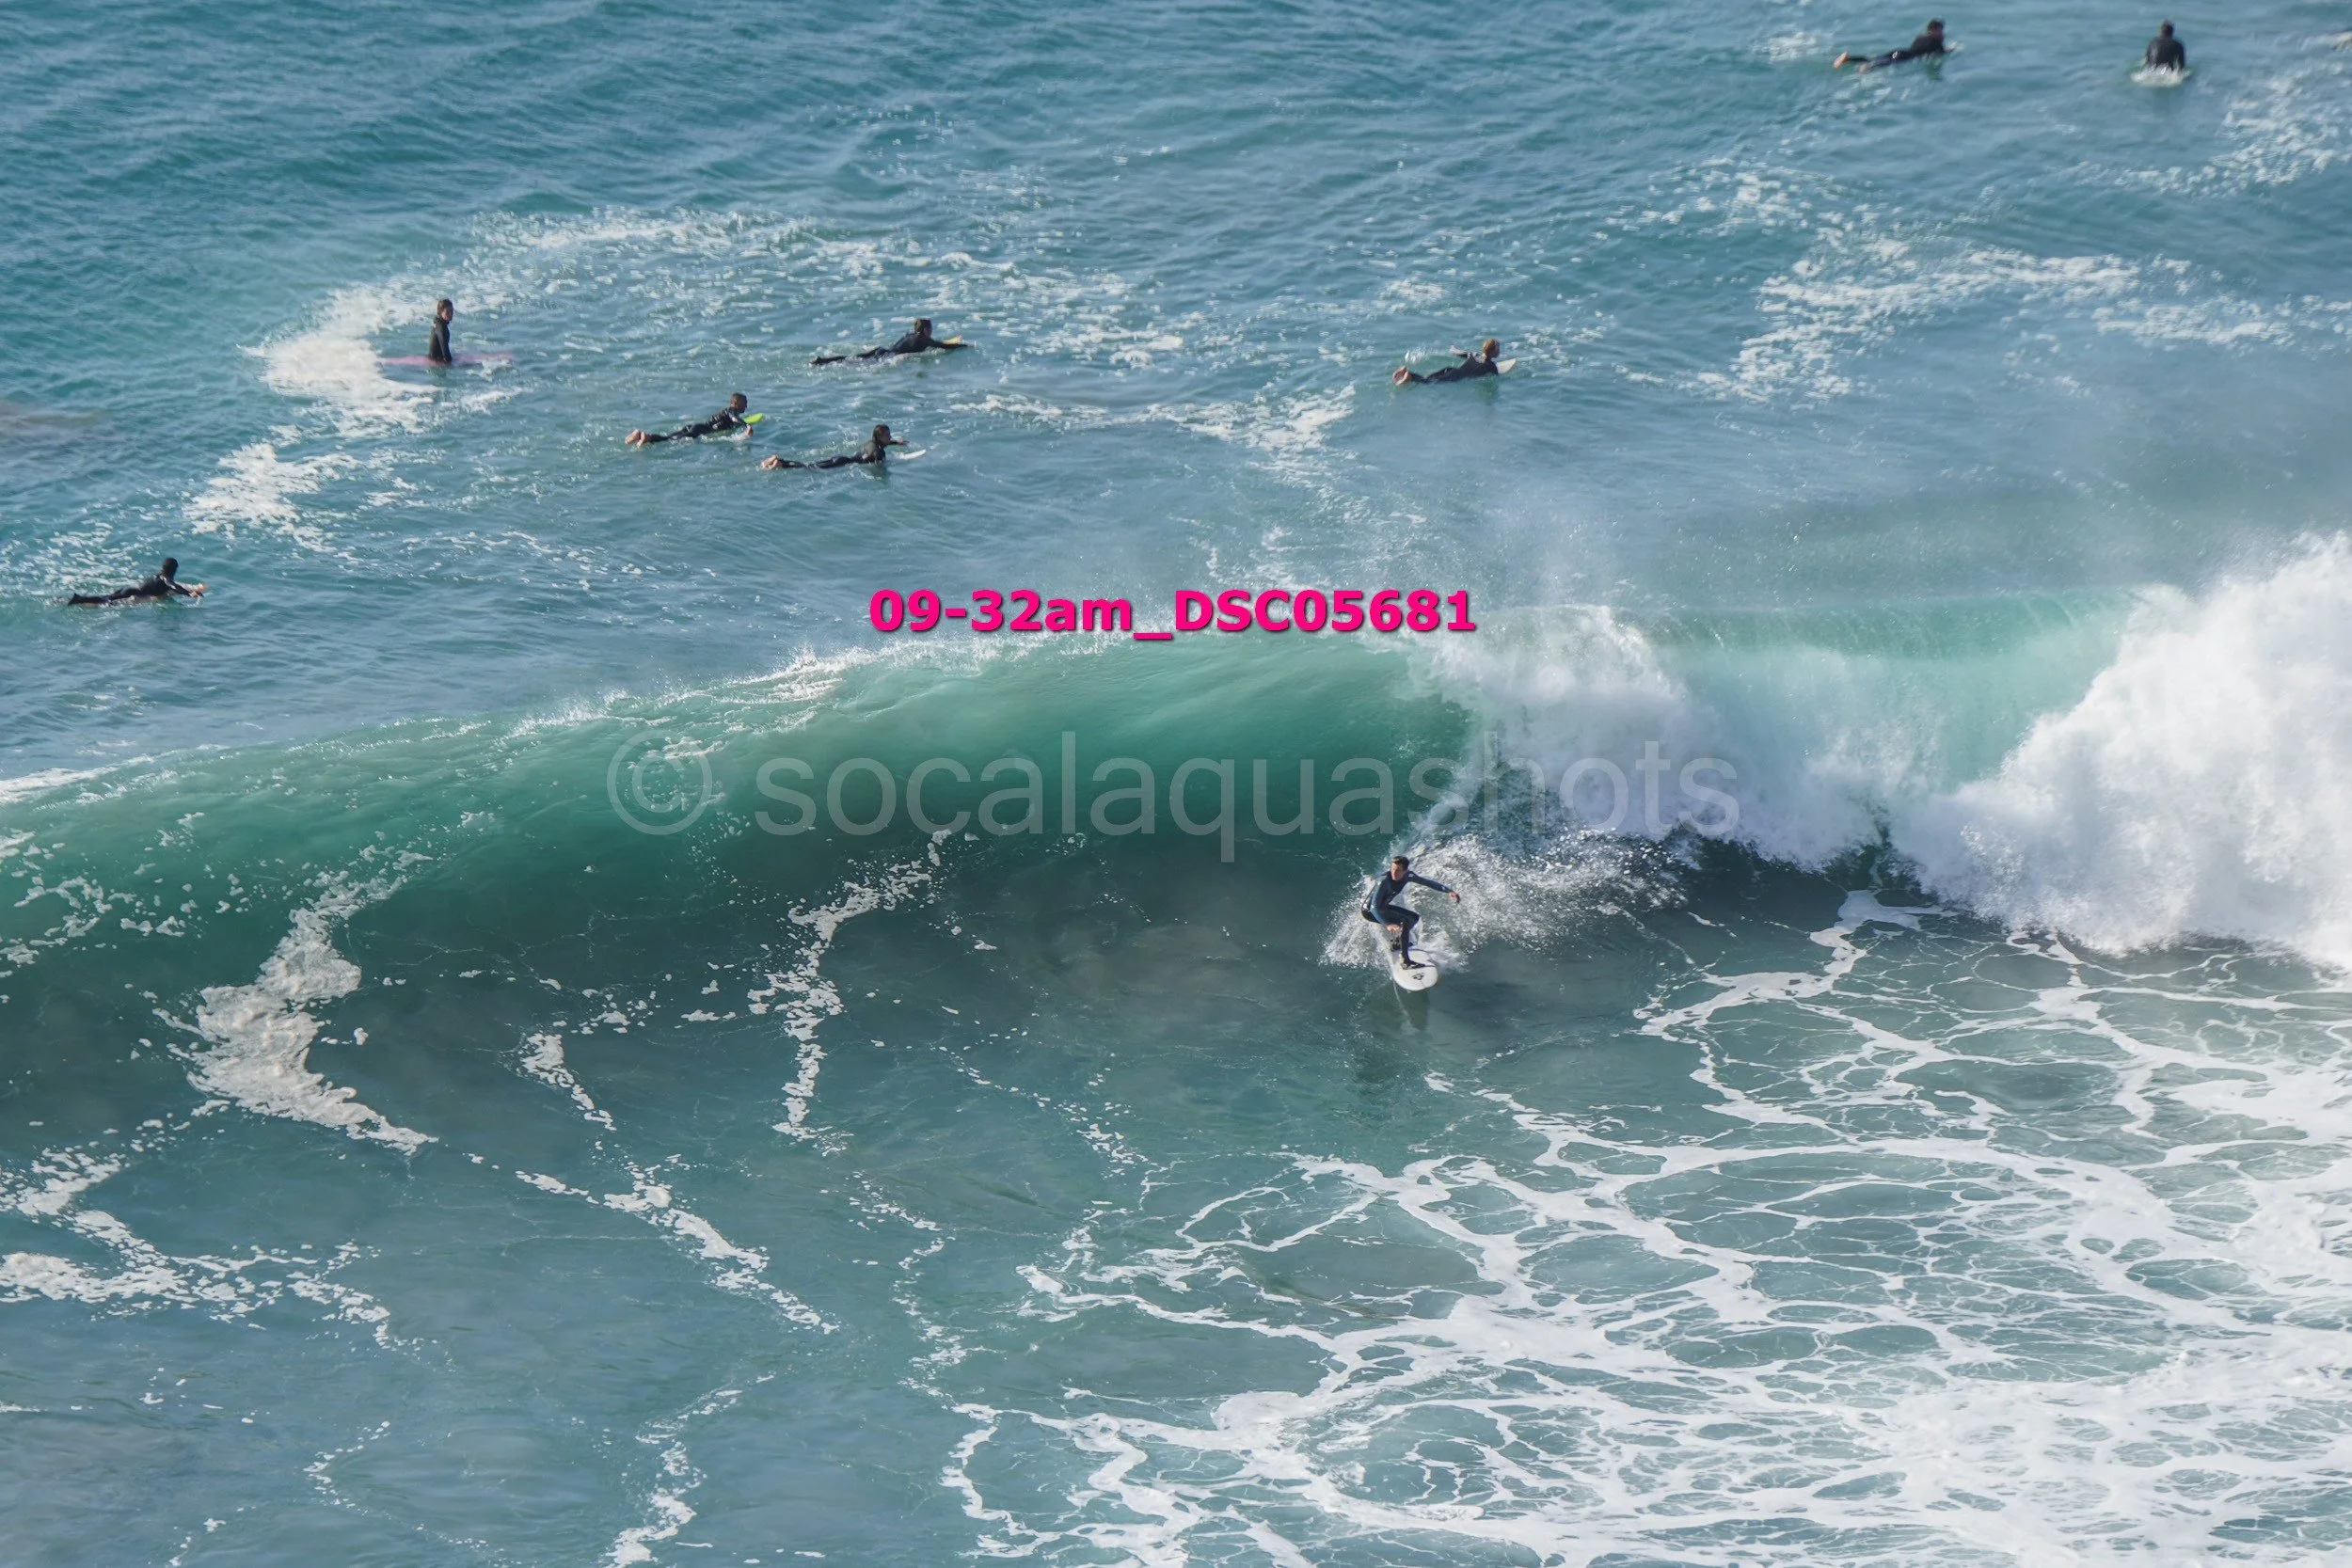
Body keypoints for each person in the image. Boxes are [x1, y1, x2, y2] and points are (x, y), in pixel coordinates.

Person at [1360, 854, 1459, 967]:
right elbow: (1373, 907)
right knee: (1404, 921)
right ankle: (1405, 961)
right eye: (1392, 869)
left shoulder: (1408, 876)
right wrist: (1388, 924)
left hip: (1383, 907)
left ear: (1405, 871)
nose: (1394, 873)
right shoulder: (1383, 881)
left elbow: (1427, 882)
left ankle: (1397, 944)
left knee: (1414, 918)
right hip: (1369, 911)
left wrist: (1449, 891)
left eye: (1398, 871)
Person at [811, 318, 969, 366]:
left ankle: (823, 361)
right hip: (887, 357)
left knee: (852, 358)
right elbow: (943, 346)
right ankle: (823, 362)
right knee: (854, 363)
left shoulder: (912, 335)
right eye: (931, 329)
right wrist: (965, 346)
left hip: (882, 350)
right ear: (927, 330)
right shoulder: (924, 339)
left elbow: (937, 343)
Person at [761, 423, 907, 471]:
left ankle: (781, 461)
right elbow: (879, 464)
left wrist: (896, 443)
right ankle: (780, 462)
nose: (890, 438)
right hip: (843, 463)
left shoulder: (872, 443)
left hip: (841, 458)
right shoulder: (879, 453)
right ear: (880, 437)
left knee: (811, 465)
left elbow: (881, 446)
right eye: (888, 436)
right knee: (809, 467)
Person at [68, 558, 204, 606]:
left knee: (107, 597)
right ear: (173, 569)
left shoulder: (159, 576)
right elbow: (173, 586)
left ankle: (78, 599)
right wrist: (189, 594)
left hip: (130, 588)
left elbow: (173, 588)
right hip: (131, 592)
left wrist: (190, 591)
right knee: (107, 600)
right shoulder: (166, 579)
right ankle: (80, 599)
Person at [628, 394, 751, 446]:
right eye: (744, 403)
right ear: (736, 403)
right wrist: (746, 426)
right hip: (700, 430)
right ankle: (645, 437)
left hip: (695, 427)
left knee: (667, 438)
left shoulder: (729, 411)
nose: (746, 406)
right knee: (670, 440)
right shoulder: (732, 410)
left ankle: (642, 436)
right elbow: (734, 418)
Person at [1834, 18, 1947, 70]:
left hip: (1899, 51)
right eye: (1940, 30)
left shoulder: (1920, 37)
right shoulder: (1936, 43)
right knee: (1884, 63)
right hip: (1904, 56)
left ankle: (1848, 58)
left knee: (1876, 58)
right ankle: (1868, 67)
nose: (1942, 33)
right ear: (1933, 30)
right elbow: (1941, 52)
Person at [1393, 339, 1502, 387]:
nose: (1499, 351)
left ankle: (1408, 373)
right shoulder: (1491, 366)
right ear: (1493, 352)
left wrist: (1453, 348)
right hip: (1456, 376)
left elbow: (1458, 352)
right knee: (1429, 383)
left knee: (1427, 378)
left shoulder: (1474, 354)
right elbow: (1497, 377)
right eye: (1498, 349)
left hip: (1451, 369)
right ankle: (1409, 377)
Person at [426, 298, 455, 366]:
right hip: (437, 362)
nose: (450, 314)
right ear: (440, 312)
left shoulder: (438, 323)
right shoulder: (441, 328)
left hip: (433, 358)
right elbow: (445, 351)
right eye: (447, 312)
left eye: (452, 311)